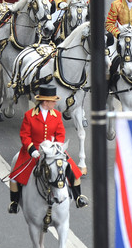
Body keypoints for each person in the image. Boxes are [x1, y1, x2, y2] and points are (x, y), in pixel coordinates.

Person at [8, 84, 88, 212]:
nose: (56, 103)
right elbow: (25, 135)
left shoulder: (57, 115)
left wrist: (56, 147)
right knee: (15, 176)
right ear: (45, 101)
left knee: (73, 171)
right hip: (33, 151)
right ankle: (14, 203)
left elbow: (60, 134)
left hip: (54, 150)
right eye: (53, 101)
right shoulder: (30, 115)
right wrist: (32, 150)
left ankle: (79, 197)